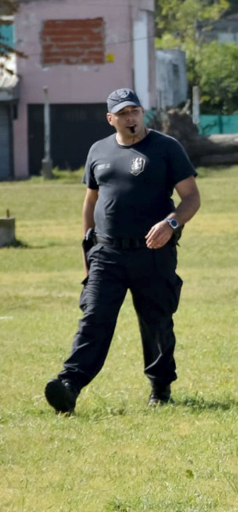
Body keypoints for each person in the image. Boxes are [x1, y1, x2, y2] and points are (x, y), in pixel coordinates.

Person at [44, 88, 201, 414]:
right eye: (124, 113)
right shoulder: (98, 150)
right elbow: (91, 202)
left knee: (157, 322)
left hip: (152, 252)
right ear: (110, 118)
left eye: (136, 111)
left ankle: (160, 388)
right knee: (94, 319)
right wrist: (88, 253)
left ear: (143, 113)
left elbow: (191, 198)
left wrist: (169, 225)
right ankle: (69, 385)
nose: (131, 118)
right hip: (107, 254)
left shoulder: (166, 148)